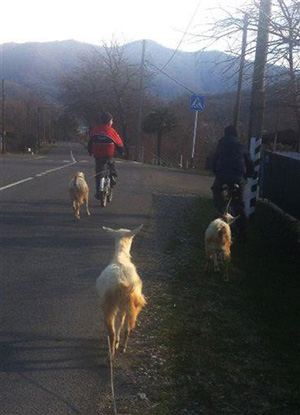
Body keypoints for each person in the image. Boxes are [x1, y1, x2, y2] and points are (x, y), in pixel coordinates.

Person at [211, 125, 254, 241]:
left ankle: (220, 210)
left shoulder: (221, 144)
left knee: (216, 191)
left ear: (225, 134)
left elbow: (215, 159)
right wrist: (249, 174)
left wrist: (215, 170)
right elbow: (249, 162)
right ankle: (243, 233)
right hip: (238, 177)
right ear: (236, 134)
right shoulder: (241, 145)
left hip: (222, 176)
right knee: (239, 204)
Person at [88, 112, 124, 199]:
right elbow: (119, 144)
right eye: (112, 120)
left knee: (99, 172)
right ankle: (113, 177)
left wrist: (90, 151)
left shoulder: (95, 129)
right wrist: (121, 152)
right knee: (111, 164)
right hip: (108, 154)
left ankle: (98, 192)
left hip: (97, 155)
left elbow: (90, 142)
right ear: (109, 122)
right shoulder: (111, 131)